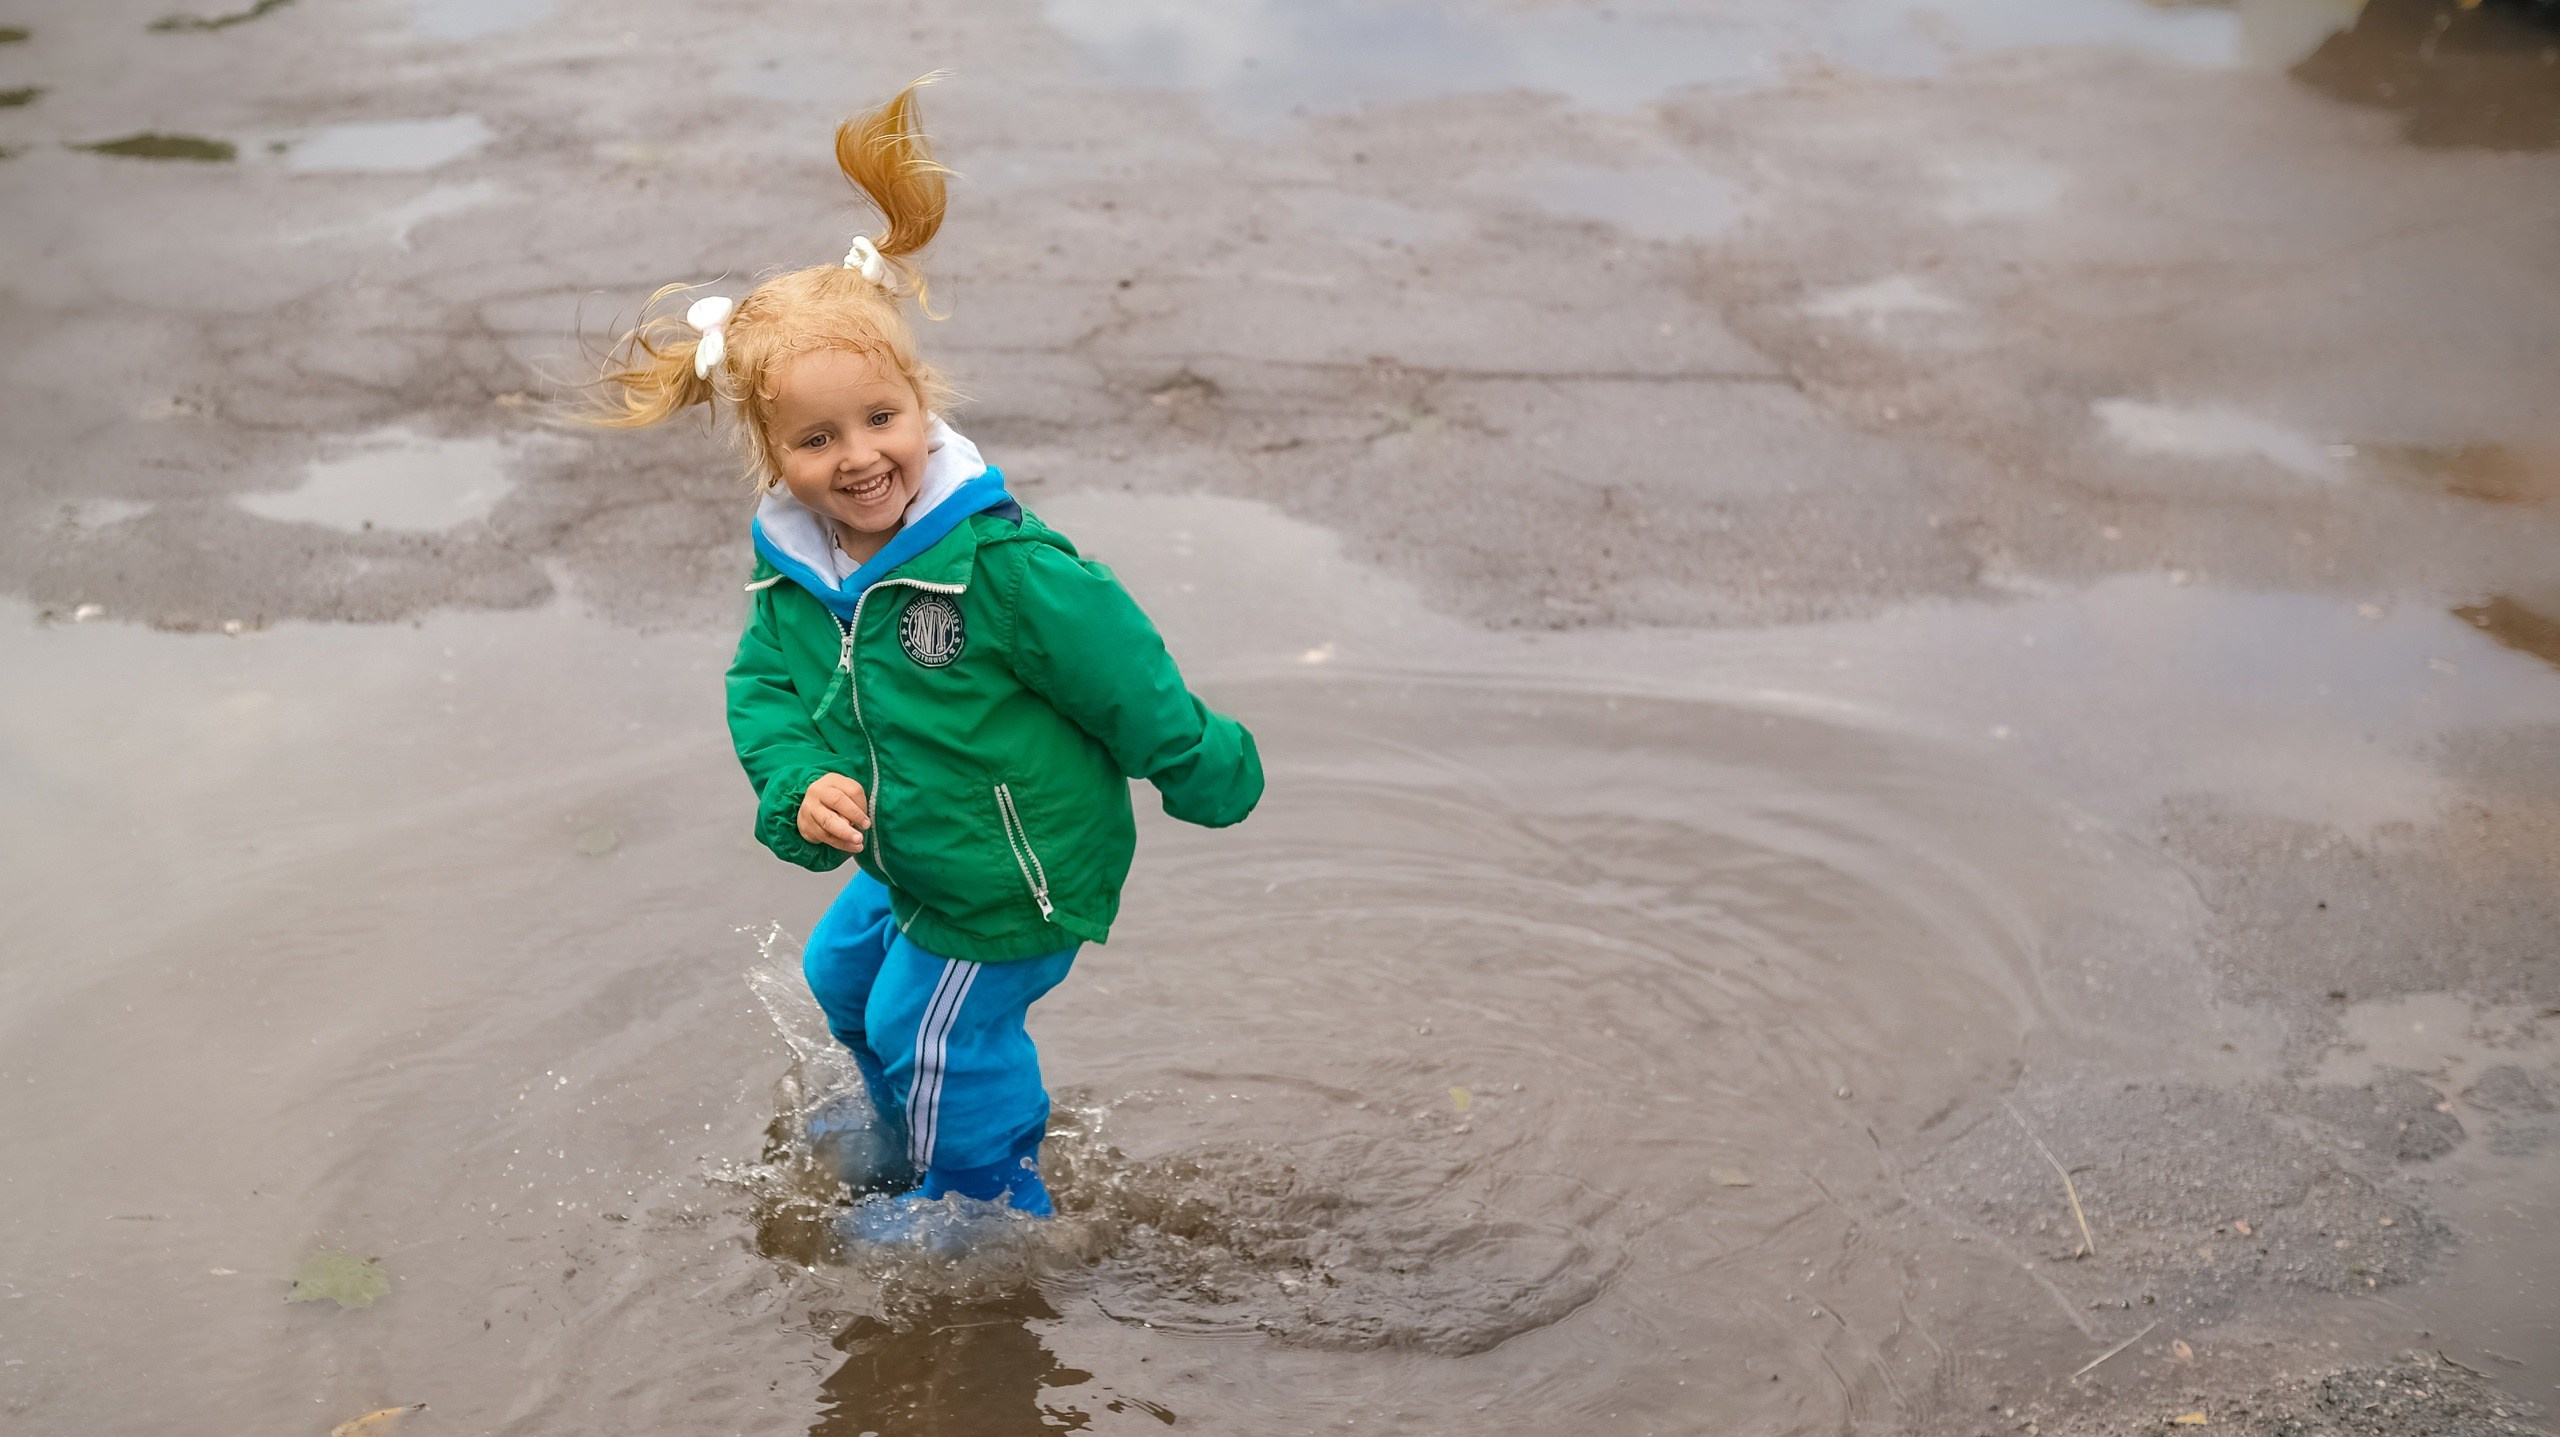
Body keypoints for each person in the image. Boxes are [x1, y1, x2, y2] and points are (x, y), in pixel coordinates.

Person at [574, 78, 1263, 1227]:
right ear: (768, 452)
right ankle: (905, 1128)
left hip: (1012, 869)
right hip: (913, 854)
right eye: (816, 437)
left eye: (880, 419)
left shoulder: (997, 566)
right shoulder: (796, 573)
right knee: (840, 982)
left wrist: (1195, 759)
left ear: (921, 402)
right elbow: (763, 688)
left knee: (925, 1022)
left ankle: (984, 1197)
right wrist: (798, 786)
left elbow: (1117, 664)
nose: (858, 458)